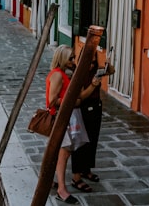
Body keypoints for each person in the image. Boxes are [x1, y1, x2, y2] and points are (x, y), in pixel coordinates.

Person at [44, 46, 89, 204]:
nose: (73, 61)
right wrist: (72, 102)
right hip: (60, 118)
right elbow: (51, 102)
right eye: (70, 58)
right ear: (62, 58)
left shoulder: (63, 74)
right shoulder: (57, 75)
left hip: (66, 117)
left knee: (60, 153)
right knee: (63, 154)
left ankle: (51, 181)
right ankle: (61, 189)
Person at [71, 54, 114, 192]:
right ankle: (76, 177)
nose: (91, 65)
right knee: (80, 142)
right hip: (83, 108)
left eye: (93, 62)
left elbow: (111, 71)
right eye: (89, 62)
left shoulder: (96, 70)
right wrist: (93, 85)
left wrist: (108, 64)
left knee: (92, 140)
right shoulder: (78, 74)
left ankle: (86, 169)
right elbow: (81, 97)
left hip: (96, 107)